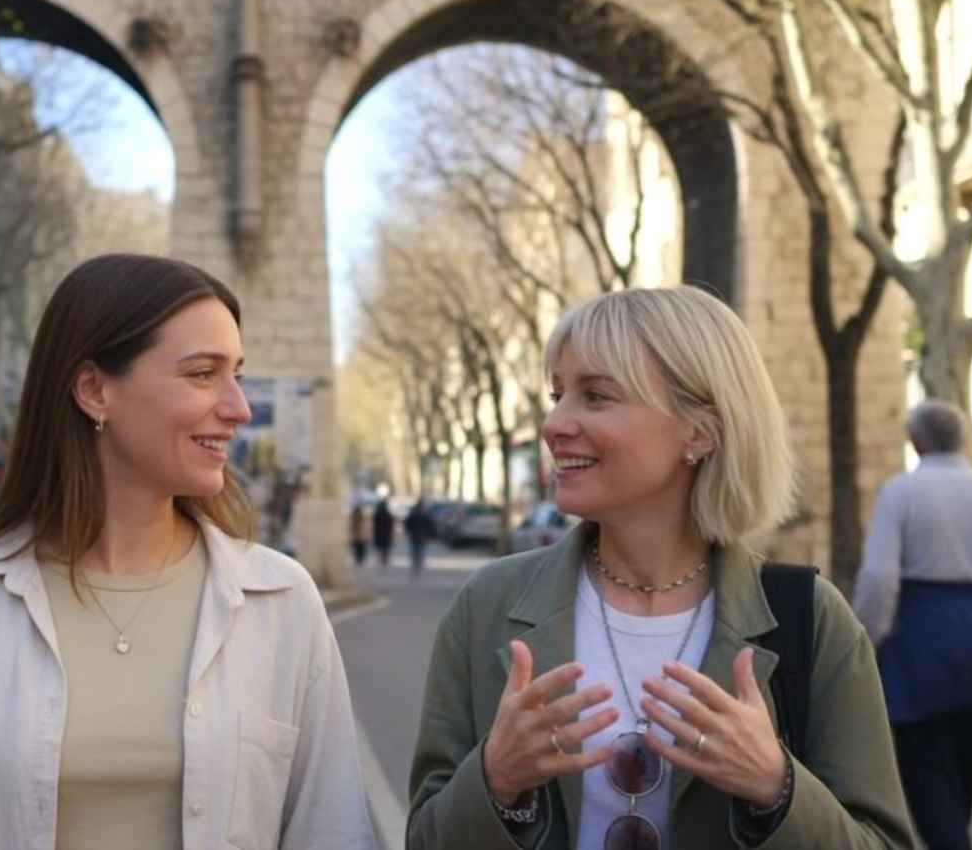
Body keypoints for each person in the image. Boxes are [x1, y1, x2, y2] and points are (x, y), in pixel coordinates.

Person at [0, 254, 374, 850]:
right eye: (203, 374)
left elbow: (332, 830)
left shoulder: (282, 602)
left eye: (238, 376)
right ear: (94, 390)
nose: (238, 409)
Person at [408, 287, 915, 850]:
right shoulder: (488, 606)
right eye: (557, 394)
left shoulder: (811, 618)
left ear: (699, 431)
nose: (554, 424)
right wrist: (495, 781)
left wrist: (777, 786)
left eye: (595, 396)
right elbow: (424, 838)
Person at [853, 399, 972, 850]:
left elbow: (880, 579)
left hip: (918, 660)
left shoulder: (900, 493)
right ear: (961, 438)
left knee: (929, 795)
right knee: (959, 789)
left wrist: (867, 644)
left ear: (915, 440)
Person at [404, 497, 434, 580]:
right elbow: (430, 525)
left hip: (415, 536)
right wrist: (429, 534)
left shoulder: (415, 513)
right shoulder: (423, 514)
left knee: (416, 550)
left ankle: (416, 564)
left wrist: (408, 531)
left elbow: (407, 523)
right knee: (419, 550)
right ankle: (418, 564)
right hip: (420, 536)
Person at [372, 496, 395, 569]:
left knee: (380, 549)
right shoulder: (388, 515)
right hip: (386, 534)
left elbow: (374, 524)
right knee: (385, 549)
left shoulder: (377, 514)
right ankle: (384, 562)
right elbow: (391, 525)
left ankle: (381, 561)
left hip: (379, 534)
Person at [349, 502, 370, 567]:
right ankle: (360, 561)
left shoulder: (354, 519)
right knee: (360, 550)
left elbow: (352, 528)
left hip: (358, 537)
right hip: (361, 537)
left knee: (358, 550)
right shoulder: (361, 519)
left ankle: (359, 561)